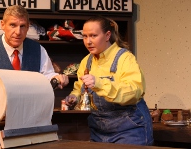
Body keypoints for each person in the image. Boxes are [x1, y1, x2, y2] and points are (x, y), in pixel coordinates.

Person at [0, 5, 69, 135]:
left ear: (28, 27)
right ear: (3, 25)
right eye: (13, 25)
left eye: (22, 26)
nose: (18, 32)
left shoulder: (39, 50)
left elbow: (47, 76)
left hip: (30, 123)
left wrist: (57, 78)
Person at [65, 15, 153, 146]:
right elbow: (79, 88)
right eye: (85, 36)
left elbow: (135, 92)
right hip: (99, 130)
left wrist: (99, 83)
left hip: (129, 129)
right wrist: (74, 97)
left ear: (107, 35)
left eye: (93, 36)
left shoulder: (125, 58)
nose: (88, 41)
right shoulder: (86, 62)